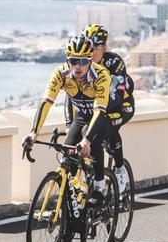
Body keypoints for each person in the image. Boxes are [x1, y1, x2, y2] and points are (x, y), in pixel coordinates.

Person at [25, 34, 112, 206]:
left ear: (90, 60)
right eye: (73, 61)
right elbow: (46, 103)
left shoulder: (101, 75)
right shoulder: (60, 73)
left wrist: (86, 140)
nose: (78, 67)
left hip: (100, 117)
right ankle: (75, 192)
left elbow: (99, 111)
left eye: (83, 62)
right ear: (67, 60)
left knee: (90, 139)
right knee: (68, 147)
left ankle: (100, 185)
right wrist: (34, 132)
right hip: (80, 116)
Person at [82, 23, 135, 194]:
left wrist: (99, 109)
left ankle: (119, 169)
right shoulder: (82, 64)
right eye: (88, 46)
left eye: (96, 47)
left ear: (104, 47)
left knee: (106, 127)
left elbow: (117, 99)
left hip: (122, 106)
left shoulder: (114, 62)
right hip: (100, 107)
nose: (91, 52)